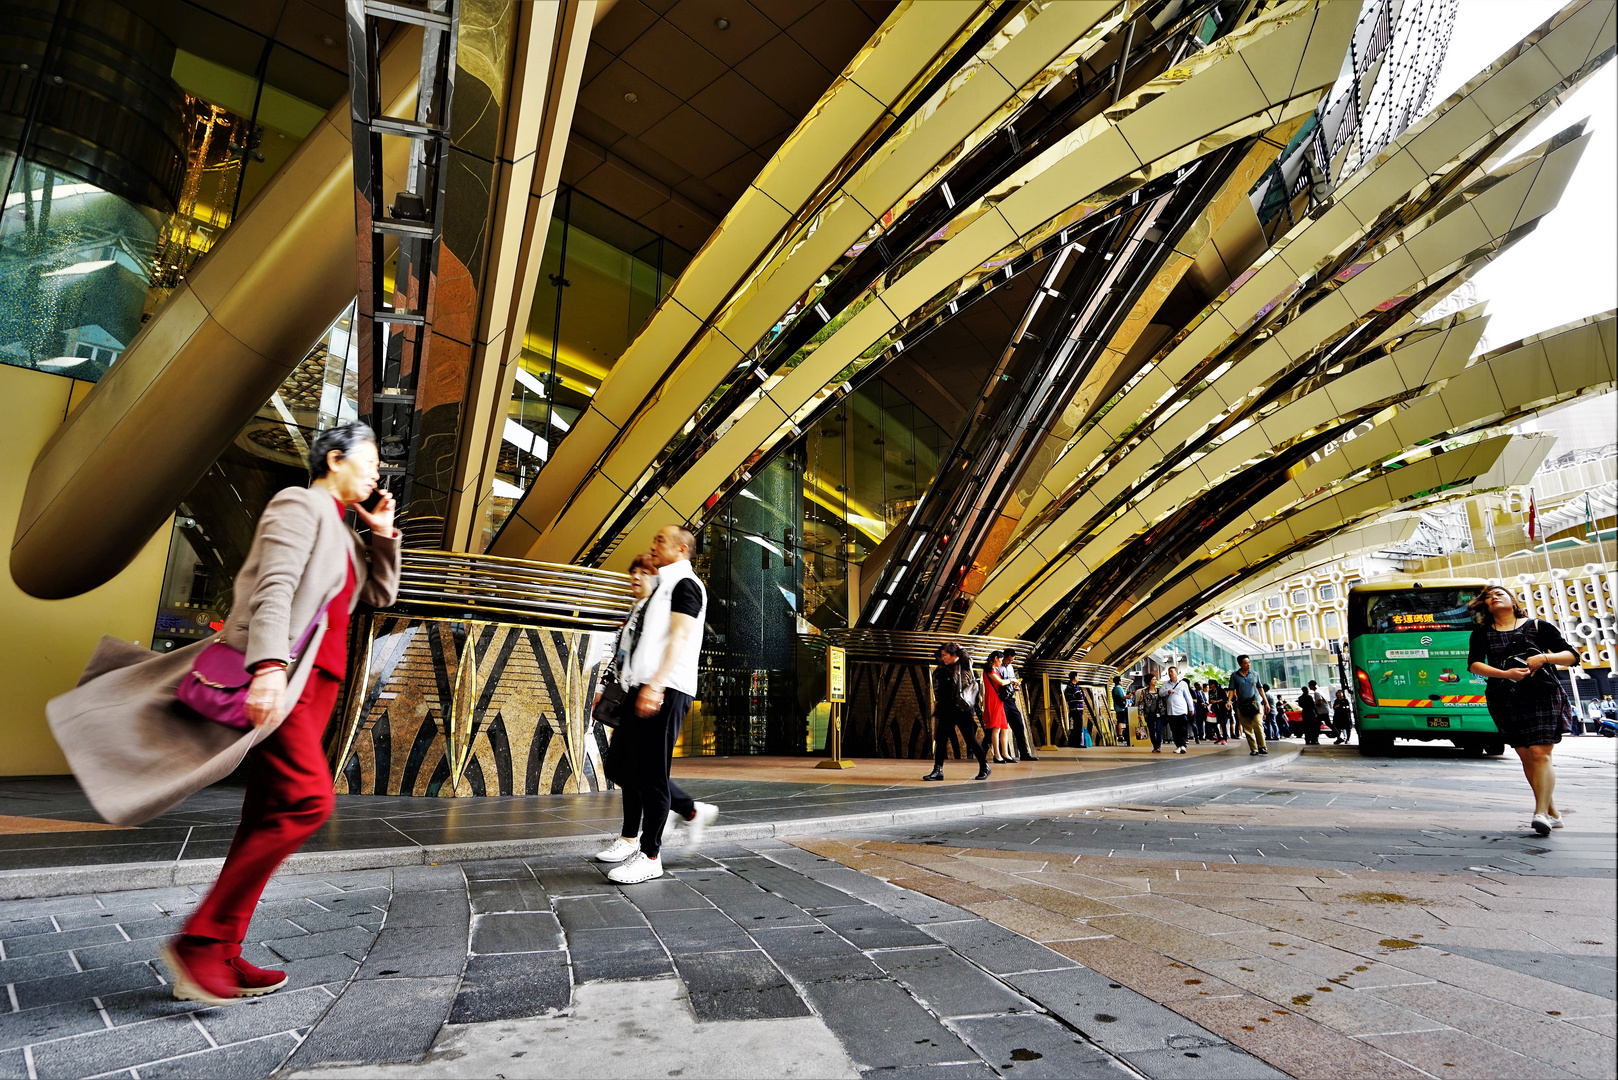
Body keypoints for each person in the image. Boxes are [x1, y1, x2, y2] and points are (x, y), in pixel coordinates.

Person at [158, 422, 401, 1005]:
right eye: (368, 461)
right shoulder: (299, 504)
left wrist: (383, 535)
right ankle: (198, 940)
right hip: (288, 681)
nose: (376, 473)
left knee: (266, 812)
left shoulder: (344, 531)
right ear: (335, 460)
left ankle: (221, 951)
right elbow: (274, 587)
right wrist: (267, 667)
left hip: (318, 690)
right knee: (309, 801)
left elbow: (378, 598)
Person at [605, 525, 719, 883]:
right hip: (642, 688)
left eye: (661, 541)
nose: (653, 545)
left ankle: (650, 855)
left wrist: (655, 686)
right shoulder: (661, 587)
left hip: (666, 688)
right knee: (621, 767)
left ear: (682, 549)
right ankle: (687, 809)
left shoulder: (687, 584)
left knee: (652, 774)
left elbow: (681, 636)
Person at [1467, 584, 1579, 836]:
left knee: (1540, 753)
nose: (1494, 598)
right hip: (1505, 697)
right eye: (1488, 597)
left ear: (1512, 600)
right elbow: (1474, 665)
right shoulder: (1482, 633)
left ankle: (1540, 813)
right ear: (1485, 606)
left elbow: (1571, 656)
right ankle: (1553, 812)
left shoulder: (1539, 626)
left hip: (1543, 695)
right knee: (1526, 757)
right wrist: (1505, 673)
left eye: (1499, 594)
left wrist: (1544, 658)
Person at [595, 554, 686, 864]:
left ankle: (644, 841)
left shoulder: (657, 613)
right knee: (622, 768)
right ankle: (634, 835)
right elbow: (622, 655)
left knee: (643, 771)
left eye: (643, 572)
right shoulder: (634, 612)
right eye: (632, 571)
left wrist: (655, 686)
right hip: (627, 691)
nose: (635, 577)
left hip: (649, 692)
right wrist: (604, 688)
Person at [923, 643, 991, 781]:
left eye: (945, 655)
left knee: (970, 740)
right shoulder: (941, 670)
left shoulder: (963, 666)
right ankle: (938, 770)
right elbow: (938, 694)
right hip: (945, 710)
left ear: (954, 656)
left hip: (962, 710)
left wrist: (961, 649)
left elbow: (967, 658)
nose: (943, 658)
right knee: (941, 741)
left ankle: (984, 766)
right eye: (941, 655)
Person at [998, 650, 1038, 761]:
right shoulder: (997, 667)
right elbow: (999, 682)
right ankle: (1000, 754)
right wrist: (1010, 681)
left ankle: (1024, 753)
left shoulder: (1010, 668)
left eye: (1012, 660)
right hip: (1001, 700)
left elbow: (1012, 682)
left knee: (1019, 726)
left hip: (1011, 699)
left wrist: (1016, 686)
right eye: (1009, 659)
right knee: (1001, 728)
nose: (1010, 662)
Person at [1229, 656, 1268, 756]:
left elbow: (1260, 689)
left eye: (1249, 662)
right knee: (1247, 728)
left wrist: (1266, 702)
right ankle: (1254, 749)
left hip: (1255, 704)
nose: (1248, 665)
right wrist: (1228, 701)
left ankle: (1262, 747)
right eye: (1246, 663)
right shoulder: (1235, 675)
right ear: (1240, 664)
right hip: (1242, 705)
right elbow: (1231, 690)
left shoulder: (1254, 674)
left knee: (1258, 725)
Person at [983, 651, 1015, 763]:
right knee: (996, 728)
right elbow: (1000, 682)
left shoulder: (995, 670)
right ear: (996, 658)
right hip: (993, 700)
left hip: (998, 699)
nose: (1001, 661)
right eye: (1000, 659)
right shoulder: (989, 670)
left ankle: (1005, 753)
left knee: (1004, 727)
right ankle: (997, 755)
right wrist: (1011, 680)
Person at [1157, 666, 1196, 753]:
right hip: (1171, 711)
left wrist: (1191, 708)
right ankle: (1178, 745)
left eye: (1172, 671)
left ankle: (1183, 745)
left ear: (1177, 673)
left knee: (1183, 728)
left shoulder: (1183, 684)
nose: (1170, 673)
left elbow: (1188, 697)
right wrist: (1168, 691)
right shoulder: (1166, 684)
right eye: (1169, 672)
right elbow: (1160, 693)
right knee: (1174, 729)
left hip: (1181, 710)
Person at [1139, 673, 1162, 752]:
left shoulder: (1159, 691)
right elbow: (1141, 702)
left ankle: (1158, 745)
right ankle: (1155, 746)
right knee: (1151, 730)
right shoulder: (1145, 692)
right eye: (1153, 679)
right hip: (1149, 714)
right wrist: (1140, 713)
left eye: (1156, 679)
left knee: (1159, 729)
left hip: (1159, 713)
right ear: (1149, 681)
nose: (1155, 681)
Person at [1064, 672, 1087, 748]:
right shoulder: (1072, 687)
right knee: (1078, 726)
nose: (1078, 678)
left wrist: (1082, 694)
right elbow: (1081, 696)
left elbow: (1082, 695)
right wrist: (1081, 693)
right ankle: (1077, 743)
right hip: (1076, 708)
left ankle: (1076, 742)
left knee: (1077, 725)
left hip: (1075, 708)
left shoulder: (1072, 686)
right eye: (1078, 676)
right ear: (1074, 677)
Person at [1301, 681, 1326, 745]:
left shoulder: (1300, 698)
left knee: (1306, 727)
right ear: (1307, 690)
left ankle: (1307, 740)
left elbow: (1301, 705)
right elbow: (1313, 705)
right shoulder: (1309, 697)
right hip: (1310, 713)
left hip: (1304, 713)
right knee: (1312, 727)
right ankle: (1313, 740)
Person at [1206, 677, 1230, 745]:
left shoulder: (1220, 690)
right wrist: (1210, 702)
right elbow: (1209, 699)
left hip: (1222, 709)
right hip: (1214, 710)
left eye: (1210, 684)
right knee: (1213, 723)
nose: (1209, 686)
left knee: (1223, 724)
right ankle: (1219, 736)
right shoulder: (1210, 692)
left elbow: (1225, 699)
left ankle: (1224, 738)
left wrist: (1217, 701)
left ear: (1213, 684)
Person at [1111, 674, 1130, 745]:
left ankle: (1120, 735)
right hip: (1121, 707)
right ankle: (1120, 735)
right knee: (1121, 721)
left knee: (1120, 720)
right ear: (1119, 681)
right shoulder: (1118, 688)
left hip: (1117, 707)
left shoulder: (1114, 688)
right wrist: (1129, 696)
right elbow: (1123, 697)